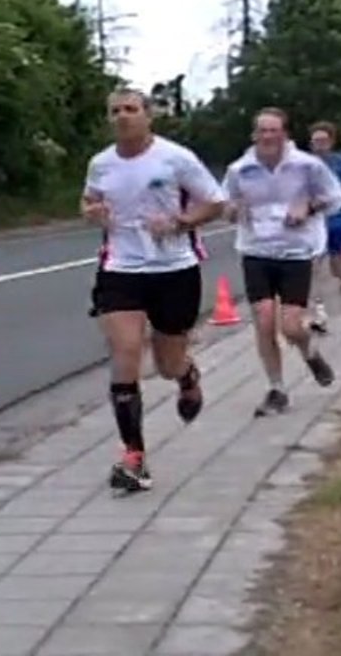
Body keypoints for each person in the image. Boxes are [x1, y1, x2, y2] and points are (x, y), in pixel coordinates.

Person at [81, 87, 225, 493]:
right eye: (115, 111)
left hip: (174, 268)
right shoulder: (101, 163)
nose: (122, 117)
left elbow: (214, 203)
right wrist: (92, 212)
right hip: (120, 267)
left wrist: (180, 222)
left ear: (148, 116)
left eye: (130, 109)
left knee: (166, 363)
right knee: (125, 352)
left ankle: (187, 375)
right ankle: (134, 456)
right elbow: (88, 201)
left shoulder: (176, 157)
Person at [223, 107, 341, 417]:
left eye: (273, 130)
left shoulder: (307, 166)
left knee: (291, 326)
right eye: (261, 131)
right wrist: (233, 210)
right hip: (256, 250)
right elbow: (225, 203)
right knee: (263, 321)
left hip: (296, 251)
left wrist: (309, 205)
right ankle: (277, 389)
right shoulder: (240, 170)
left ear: (284, 134)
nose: (267, 137)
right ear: (254, 135)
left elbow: (335, 198)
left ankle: (310, 353)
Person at [308, 121, 341, 334]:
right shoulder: (305, 164)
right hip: (313, 222)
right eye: (316, 141)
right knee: (313, 267)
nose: (320, 145)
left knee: (335, 266)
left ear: (331, 142)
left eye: (324, 141)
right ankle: (319, 313)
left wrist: (339, 193)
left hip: (338, 220)